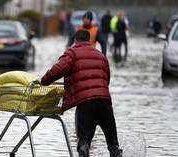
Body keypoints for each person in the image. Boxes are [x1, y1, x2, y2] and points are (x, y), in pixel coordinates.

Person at [39, 29, 122, 157]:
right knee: (113, 145)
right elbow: (106, 79)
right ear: (89, 40)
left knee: (84, 144)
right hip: (105, 103)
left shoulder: (72, 53)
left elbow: (58, 69)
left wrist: (43, 81)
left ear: (75, 40)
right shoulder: (101, 55)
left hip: (85, 104)